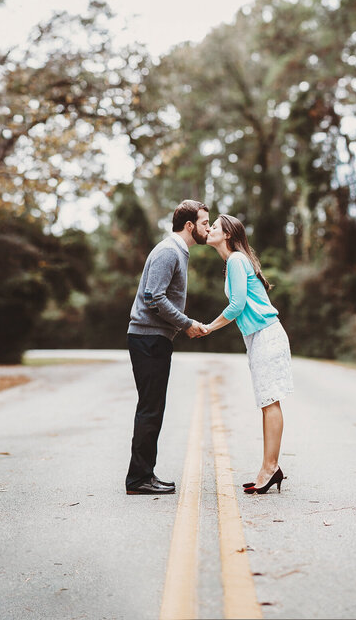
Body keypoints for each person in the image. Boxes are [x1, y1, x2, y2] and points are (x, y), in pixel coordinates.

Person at [198, 213, 294, 494]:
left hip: (267, 335)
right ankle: (268, 467)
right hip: (259, 337)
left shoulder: (237, 261)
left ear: (227, 234)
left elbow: (238, 305)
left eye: (214, 226)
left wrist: (209, 327)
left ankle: (270, 468)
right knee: (267, 402)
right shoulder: (233, 263)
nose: (210, 229)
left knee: (270, 401)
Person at [124, 199, 211, 496]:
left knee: (153, 408)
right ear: (189, 226)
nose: (208, 229)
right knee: (150, 408)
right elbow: (153, 298)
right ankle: (138, 479)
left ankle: (144, 474)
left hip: (155, 338)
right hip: (148, 338)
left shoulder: (177, 252)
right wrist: (186, 323)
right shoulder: (168, 251)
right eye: (204, 223)